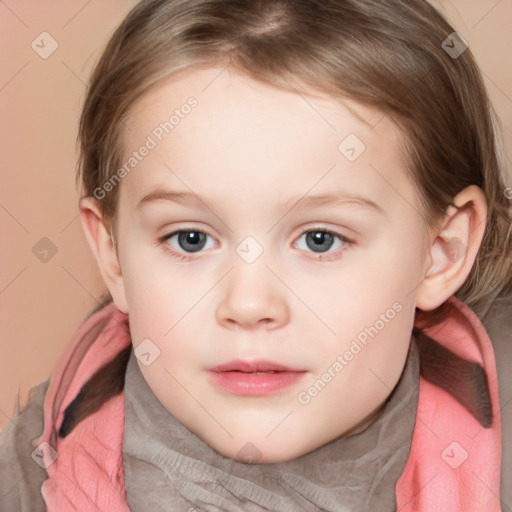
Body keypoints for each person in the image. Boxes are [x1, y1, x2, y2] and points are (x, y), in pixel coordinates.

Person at [1, 0, 511, 510]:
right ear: (113, 255)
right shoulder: (34, 475)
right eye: (190, 239)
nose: (248, 304)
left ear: (442, 251)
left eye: (320, 240)